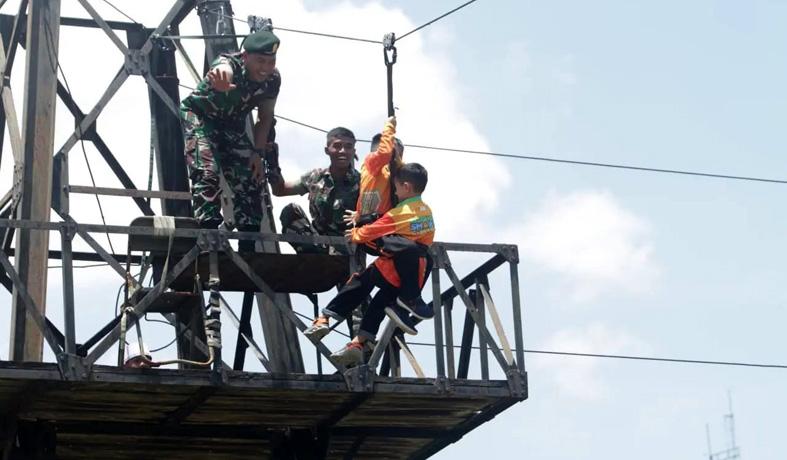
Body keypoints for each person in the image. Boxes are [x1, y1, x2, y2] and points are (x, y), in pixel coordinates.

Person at [305, 162, 435, 365]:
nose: (395, 191)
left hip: (392, 265)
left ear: (406, 187)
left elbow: (377, 228)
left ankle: (325, 318)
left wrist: (356, 234)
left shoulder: (401, 213)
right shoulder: (426, 212)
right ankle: (359, 342)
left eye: (397, 187)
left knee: (359, 283)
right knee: (380, 302)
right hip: (415, 271)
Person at [180, 28, 281, 251]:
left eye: (271, 61)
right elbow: (222, 67)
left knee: (251, 177)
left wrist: (257, 153)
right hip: (202, 117)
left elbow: (265, 117)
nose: (265, 68)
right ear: (245, 57)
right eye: (260, 61)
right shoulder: (229, 64)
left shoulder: (272, 80)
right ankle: (209, 237)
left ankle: (248, 246)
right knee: (207, 171)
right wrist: (222, 80)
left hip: (231, 124)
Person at [347, 116, 432, 316]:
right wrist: (390, 127)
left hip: (386, 233)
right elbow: (384, 154)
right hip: (374, 235)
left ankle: (406, 303)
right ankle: (408, 299)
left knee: (424, 259)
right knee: (409, 253)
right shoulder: (373, 165)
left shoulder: (397, 178)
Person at [267, 127, 360, 254]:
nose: (343, 151)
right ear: (327, 150)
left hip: (347, 251)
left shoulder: (363, 182)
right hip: (318, 245)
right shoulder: (315, 177)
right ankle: (313, 256)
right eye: (337, 146)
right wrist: (272, 163)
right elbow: (280, 190)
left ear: (353, 151)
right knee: (290, 211)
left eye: (348, 147)